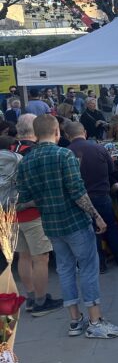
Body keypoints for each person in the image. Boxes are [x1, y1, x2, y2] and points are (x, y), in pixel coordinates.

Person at [16, 114, 118, 339]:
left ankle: (75, 320)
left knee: (65, 270)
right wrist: (97, 216)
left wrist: (47, 196)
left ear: (35, 134)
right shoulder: (64, 154)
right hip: (74, 221)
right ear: (57, 132)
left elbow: (24, 197)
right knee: (88, 269)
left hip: (51, 223)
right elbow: (77, 192)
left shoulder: (26, 160)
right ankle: (95, 321)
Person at [6, 117, 62, 317]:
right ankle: (40, 301)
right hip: (32, 213)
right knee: (41, 258)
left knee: (24, 256)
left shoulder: (10, 150)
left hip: (11, 214)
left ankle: (30, 296)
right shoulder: (33, 152)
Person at [65, 121, 118, 273]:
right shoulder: (99, 148)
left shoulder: (66, 152)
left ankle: (100, 265)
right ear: (85, 132)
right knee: (111, 226)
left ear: (67, 136)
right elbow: (111, 169)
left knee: (91, 231)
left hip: (80, 198)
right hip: (102, 194)